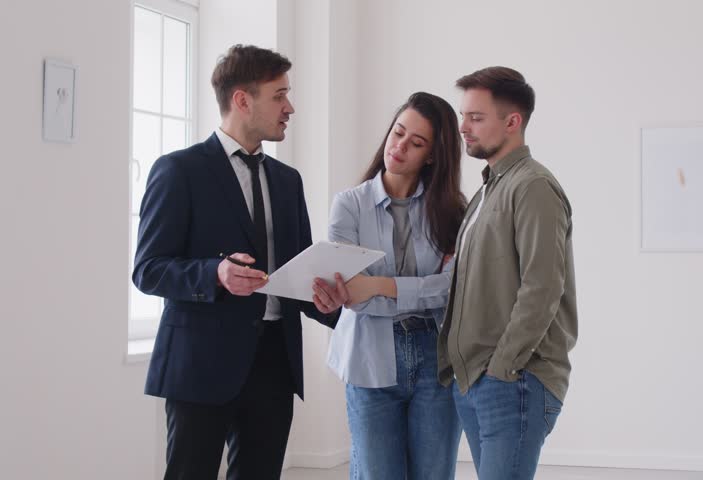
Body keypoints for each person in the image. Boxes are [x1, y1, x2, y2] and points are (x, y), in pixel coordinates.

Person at [133, 44, 346, 480]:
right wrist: (214, 273)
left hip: (273, 362)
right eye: (279, 95)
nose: (290, 107)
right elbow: (148, 268)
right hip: (199, 362)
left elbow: (297, 274)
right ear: (242, 100)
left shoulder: (288, 182)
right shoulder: (179, 170)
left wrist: (332, 304)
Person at [437, 66, 578, 479]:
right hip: (479, 381)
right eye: (464, 116)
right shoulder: (488, 189)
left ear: (512, 122)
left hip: (512, 380)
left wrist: (502, 368)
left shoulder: (532, 186)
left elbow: (543, 287)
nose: (463, 127)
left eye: (476, 118)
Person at [322, 92, 466, 479]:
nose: (400, 147)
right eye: (398, 133)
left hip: (436, 357)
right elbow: (354, 295)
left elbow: (458, 290)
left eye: (416, 143)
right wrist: (426, 287)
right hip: (369, 357)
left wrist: (381, 285)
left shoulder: (454, 210)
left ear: (432, 155)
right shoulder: (348, 206)